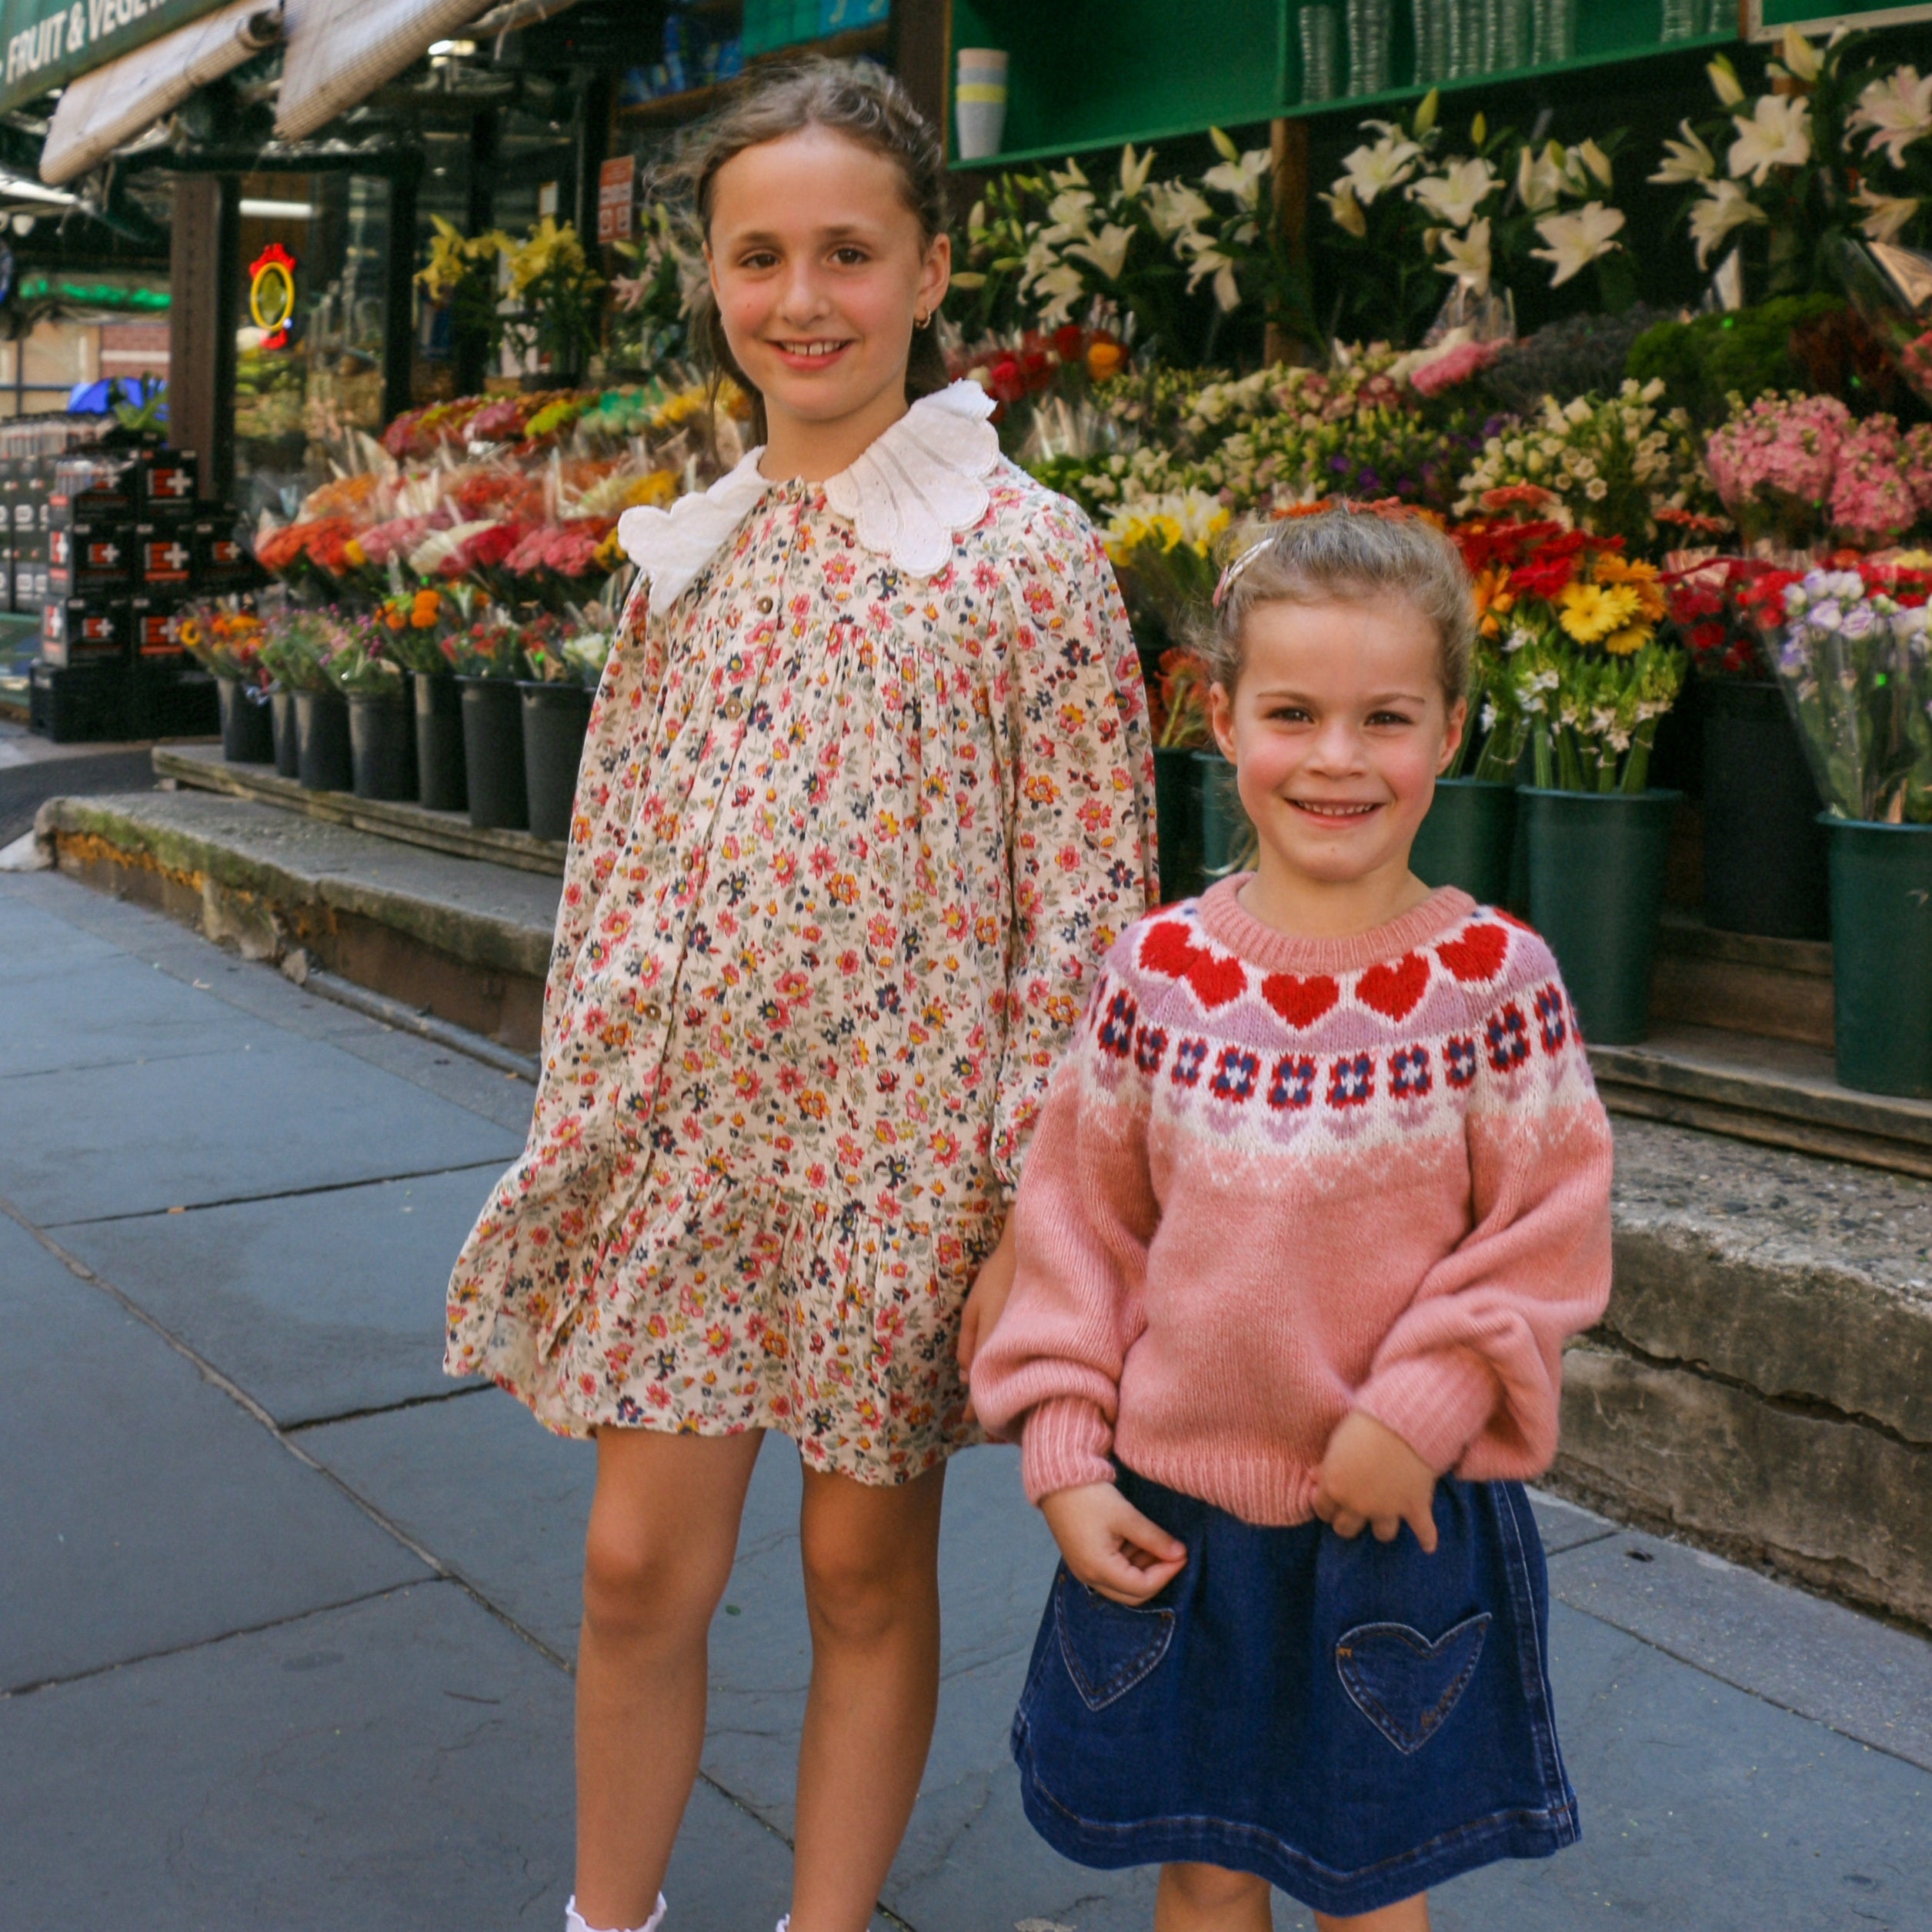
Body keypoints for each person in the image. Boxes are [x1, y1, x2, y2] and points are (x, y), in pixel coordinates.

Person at [442, 57, 1156, 1932]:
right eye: (758, 256)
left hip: (904, 1165)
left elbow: (1086, 914)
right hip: (685, 1147)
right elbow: (610, 867)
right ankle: (610, 1918)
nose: (802, 298)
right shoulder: (688, 553)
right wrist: (582, 1118)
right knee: (628, 1566)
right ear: (713, 277)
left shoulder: (1026, 558)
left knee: (859, 1566)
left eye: (848, 251)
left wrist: (1030, 1209)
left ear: (928, 270)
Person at [969, 506, 1615, 1932]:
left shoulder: (1496, 985)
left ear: (1449, 729)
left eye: (1385, 717)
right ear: (1220, 716)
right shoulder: (1158, 975)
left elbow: (1549, 1232)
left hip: (1396, 1519)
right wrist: (1068, 1452)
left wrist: (1426, 1402)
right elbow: (1080, 1227)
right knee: (1202, 1869)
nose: (1337, 757)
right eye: (1293, 713)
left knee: (1372, 1885)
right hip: (1179, 1523)